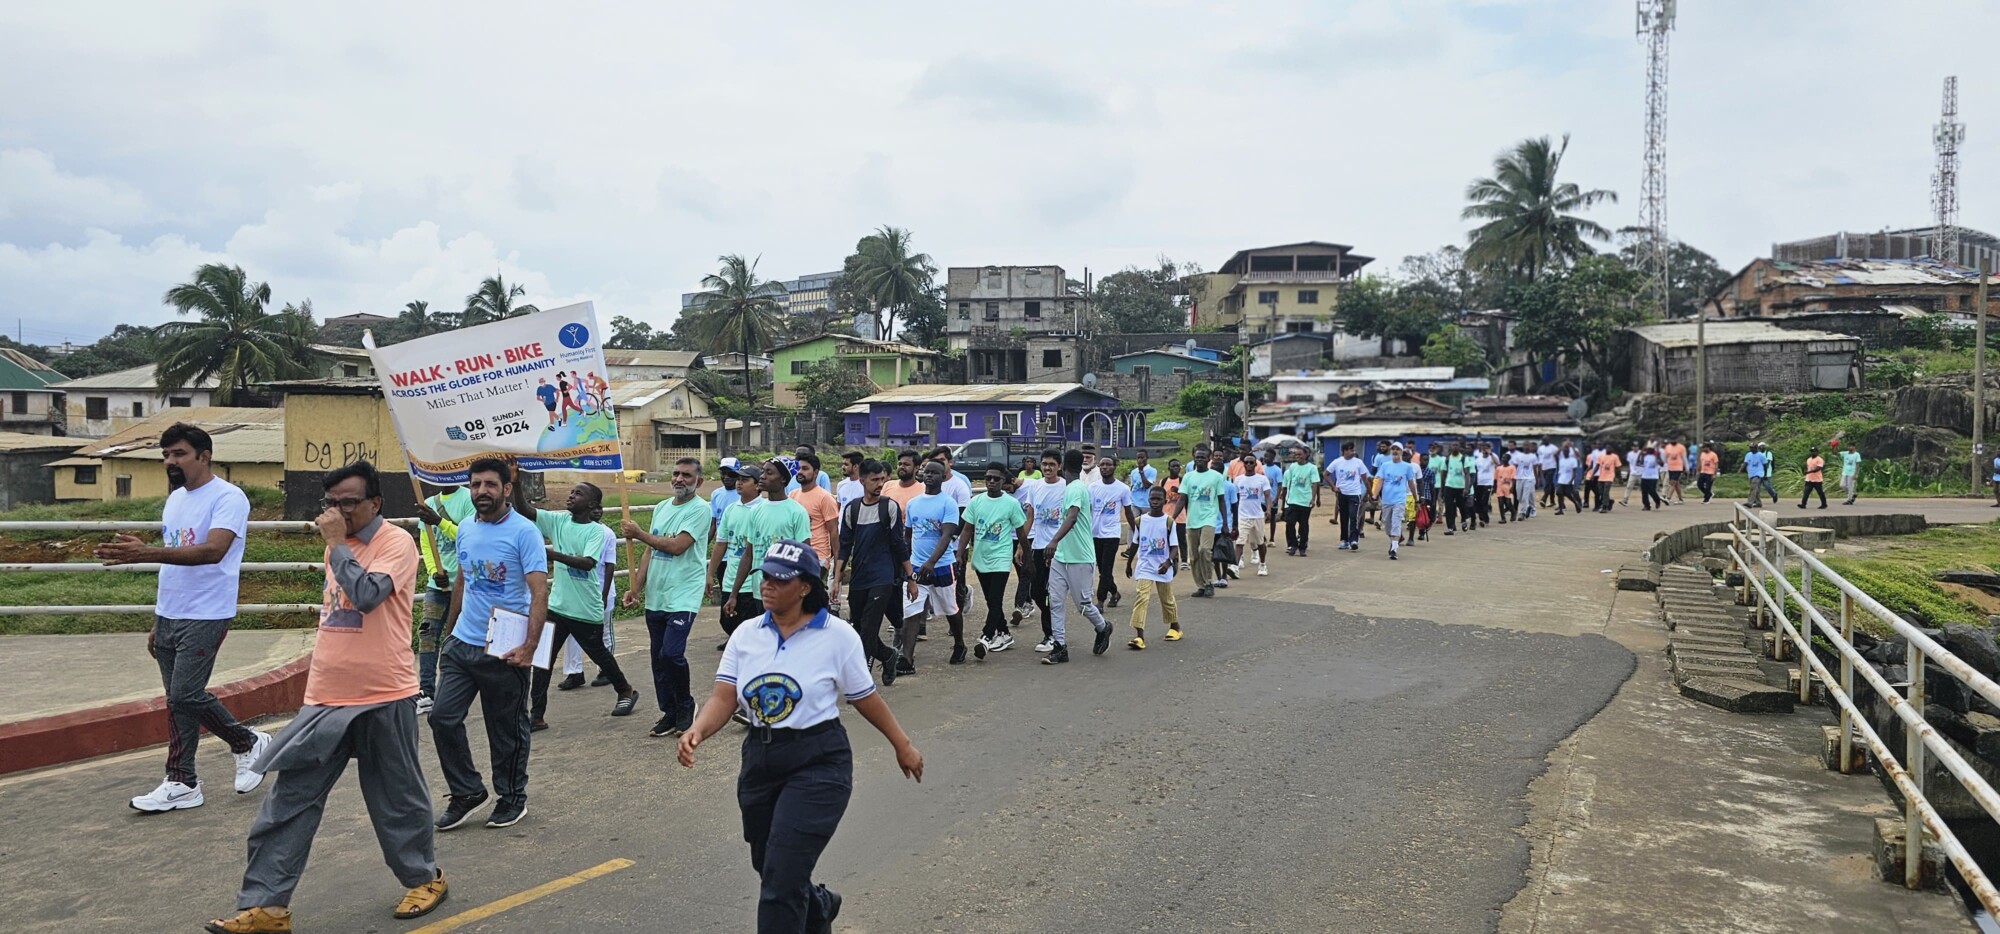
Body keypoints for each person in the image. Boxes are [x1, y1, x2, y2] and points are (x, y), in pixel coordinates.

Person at [204, 461, 446, 934]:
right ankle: (268, 908)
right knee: (288, 803)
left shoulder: (395, 543)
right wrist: (338, 545)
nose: (337, 511)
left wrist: (336, 543)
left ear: (375, 503)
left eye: (349, 502)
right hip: (326, 697)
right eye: (330, 503)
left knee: (398, 800)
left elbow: (368, 595)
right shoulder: (340, 548)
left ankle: (424, 877)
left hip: (385, 694)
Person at [677, 540, 923, 934]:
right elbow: (724, 696)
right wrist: (698, 730)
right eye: (766, 577)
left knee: (780, 882)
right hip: (759, 758)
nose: (768, 585)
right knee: (771, 867)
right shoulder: (746, 633)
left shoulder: (837, 635)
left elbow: (865, 698)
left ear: (805, 586)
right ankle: (820, 904)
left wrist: (903, 745)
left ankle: (811, 906)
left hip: (818, 761)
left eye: (780, 579)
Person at [97, 423, 270, 813]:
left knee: (184, 695)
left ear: (203, 456)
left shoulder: (229, 497)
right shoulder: (175, 499)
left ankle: (246, 741)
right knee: (177, 703)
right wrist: (159, 620)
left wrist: (145, 553)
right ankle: (182, 781)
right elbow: (173, 565)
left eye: (178, 454)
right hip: (172, 612)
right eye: (166, 455)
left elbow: (213, 551)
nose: (169, 461)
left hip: (208, 612)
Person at [430, 457, 547, 831]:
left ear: (507, 489)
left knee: (506, 729)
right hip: (463, 644)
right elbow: (463, 580)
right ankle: (466, 791)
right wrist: (449, 634)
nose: (482, 491)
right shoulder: (465, 527)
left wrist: (529, 646)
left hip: (504, 648)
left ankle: (512, 797)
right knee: (442, 718)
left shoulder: (523, 532)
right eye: (476, 484)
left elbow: (538, 591)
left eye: (490, 485)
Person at [520, 482, 640, 730]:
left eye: (578, 493)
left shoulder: (597, 532)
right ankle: (537, 715)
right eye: (572, 492)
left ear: (593, 505)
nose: (571, 495)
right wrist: (515, 480)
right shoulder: (560, 521)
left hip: (585, 610)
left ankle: (625, 690)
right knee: (543, 660)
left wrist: (551, 555)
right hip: (558, 606)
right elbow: (526, 510)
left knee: (600, 655)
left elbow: (587, 563)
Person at [623, 457, 712, 738]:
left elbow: (676, 546)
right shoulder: (662, 508)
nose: (679, 479)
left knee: (671, 654)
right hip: (657, 596)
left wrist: (639, 533)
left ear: (699, 481)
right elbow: (650, 551)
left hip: (683, 594)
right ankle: (669, 712)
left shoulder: (701, 510)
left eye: (686, 475)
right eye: (675, 474)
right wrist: (636, 586)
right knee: (658, 659)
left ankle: (686, 705)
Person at [831, 459, 911, 684]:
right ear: (862, 479)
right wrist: (837, 579)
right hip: (859, 577)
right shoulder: (852, 509)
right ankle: (887, 655)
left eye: (883, 479)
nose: (880, 484)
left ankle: (861, 680)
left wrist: (910, 577)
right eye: (875, 480)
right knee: (858, 628)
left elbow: (899, 544)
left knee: (869, 627)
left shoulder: (890, 507)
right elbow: (844, 546)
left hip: (883, 576)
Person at [725, 459, 813, 651]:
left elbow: (806, 557)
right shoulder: (756, 512)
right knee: (763, 645)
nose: (762, 476)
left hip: (786, 595)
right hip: (760, 592)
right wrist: (734, 594)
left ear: (783, 480)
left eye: (769, 473)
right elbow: (748, 555)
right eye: (763, 472)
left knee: (786, 645)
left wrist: (802, 593)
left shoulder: (796, 512)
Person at [1041, 448, 1113, 663]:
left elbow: (1072, 517)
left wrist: (1053, 541)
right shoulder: (1069, 487)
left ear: (1062, 465)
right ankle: (1060, 646)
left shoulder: (1076, 488)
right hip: (1062, 556)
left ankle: (1103, 627)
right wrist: (1056, 548)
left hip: (1080, 556)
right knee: (1055, 601)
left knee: (1082, 604)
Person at [958, 462, 1028, 658]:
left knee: (995, 599)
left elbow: (1022, 534)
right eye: (988, 477)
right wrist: (959, 554)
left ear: (1004, 481)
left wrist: (1027, 559)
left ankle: (986, 637)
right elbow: (966, 530)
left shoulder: (1011, 504)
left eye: (996, 478)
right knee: (991, 601)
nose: (991, 481)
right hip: (980, 558)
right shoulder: (976, 502)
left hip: (1001, 559)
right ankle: (1004, 633)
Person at [413, 485, 472, 714]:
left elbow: (468, 536)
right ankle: (427, 690)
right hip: (436, 585)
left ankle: (462, 686)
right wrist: (433, 571)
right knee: (428, 633)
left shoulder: (468, 499)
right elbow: (427, 542)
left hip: (465, 583)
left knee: (462, 635)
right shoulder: (428, 502)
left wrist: (439, 521)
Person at [906, 461, 967, 665]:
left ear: (943, 477)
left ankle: (959, 643)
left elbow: (947, 534)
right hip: (916, 566)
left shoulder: (947, 503)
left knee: (950, 609)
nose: (929, 475)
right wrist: (906, 564)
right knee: (913, 611)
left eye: (934, 473)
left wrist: (932, 561)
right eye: (926, 471)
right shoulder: (913, 503)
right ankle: (907, 658)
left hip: (941, 566)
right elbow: (908, 535)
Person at [709, 467, 765, 650]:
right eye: (738, 479)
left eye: (745, 479)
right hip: (730, 577)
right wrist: (709, 573)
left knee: (750, 624)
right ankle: (736, 641)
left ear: (757, 485)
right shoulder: (731, 509)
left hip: (752, 580)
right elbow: (721, 543)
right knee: (727, 620)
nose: (739, 482)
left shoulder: (762, 510)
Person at [1018, 450, 1066, 648]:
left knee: (1053, 594)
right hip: (1038, 547)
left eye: (1052, 464)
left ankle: (1052, 635)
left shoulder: (1067, 487)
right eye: (1044, 464)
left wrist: (1057, 544)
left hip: (1059, 549)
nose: (1047, 468)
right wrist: (1023, 545)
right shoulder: (1035, 487)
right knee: (1037, 592)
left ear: (1059, 466)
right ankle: (1051, 631)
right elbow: (1030, 517)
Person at [1123, 485, 1180, 649]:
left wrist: (1168, 562)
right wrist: (1129, 563)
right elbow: (1135, 543)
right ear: (1148, 500)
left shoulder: (1169, 522)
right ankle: (1139, 636)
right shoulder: (1140, 521)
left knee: (1167, 599)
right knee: (1142, 597)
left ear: (1165, 500)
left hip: (1162, 566)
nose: (1155, 502)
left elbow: (1175, 547)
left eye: (1158, 499)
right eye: (1152, 498)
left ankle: (1175, 627)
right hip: (1145, 566)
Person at [1179, 448, 1228, 597]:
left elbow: (1221, 500)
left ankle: (1208, 582)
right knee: (1193, 556)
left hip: (1209, 518)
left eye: (1203, 457)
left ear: (1209, 459)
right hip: (1192, 520)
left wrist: (1225, 523)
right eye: (1197, 457)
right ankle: (1200, 585)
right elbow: (1182, 499)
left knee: (1205, 550)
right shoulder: (1188, 477)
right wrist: (1172, 517)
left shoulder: (1216, 477)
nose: (1199, 460)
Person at [1088, 455, 1132, 608]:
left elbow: (1128, 511)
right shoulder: (1092, 488)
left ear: (1114, 467)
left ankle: (1100, 601)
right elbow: (1088, 510)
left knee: (1106, 568)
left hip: (1112, 534)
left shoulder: (1123, 489)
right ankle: (1114, 592)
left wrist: (1136, 530)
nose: (1104, 467)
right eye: (1101, 465)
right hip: (1095, 534)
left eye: (1108, 465)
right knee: (1102, 568)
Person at [790, 453, 839, 565]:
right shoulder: (792, 495)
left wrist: (837, 564)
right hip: (795, 556)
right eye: (798, 468)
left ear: (816, 472)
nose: (800, 472)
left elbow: (834, 532)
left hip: (817, 557)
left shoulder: (825, 498)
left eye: (805, 468)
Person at [1232, 453, 1273, 575]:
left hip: (1258, 516)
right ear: (1243, 464)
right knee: (1240, 542)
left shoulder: (1262, 479)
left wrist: (1269, 510)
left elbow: (1267, 496)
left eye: (1251, 462)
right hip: (1243, 516)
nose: (1249, 464)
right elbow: (1236, 498)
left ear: (1256, 464)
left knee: (1260, 543)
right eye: (1246, 462)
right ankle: (1235, 567)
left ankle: (1262, 564)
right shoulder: (1238, 480)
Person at [1377, 446, 1417, 560]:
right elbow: (1379, 481)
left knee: (1396, 522)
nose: (1395, 451)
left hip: (1399, 500)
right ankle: (1395, 539)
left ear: (1401, 452)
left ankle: (1394, 549)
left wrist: (1416, 498)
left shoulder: (1407, 467)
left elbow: (1411, 483)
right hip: (1387, 500)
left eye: (1398, 449)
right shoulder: (1385, 466)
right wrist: (1374, 495)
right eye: (1393, 449)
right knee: (1387, 523)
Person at [1326, 442, 1366, 551]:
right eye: (1351, 450)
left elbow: (1365, 477)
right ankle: (1345, 540)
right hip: (1342, 494)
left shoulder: (1358, 462)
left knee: (1353, 516)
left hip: (1355, 494)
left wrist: (1370, 493)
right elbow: (1325, 474)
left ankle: (1354, 540)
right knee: (1343, 518)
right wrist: (1333, 486)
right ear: (1345, 451)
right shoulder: (1337, 462)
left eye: (1354, 450)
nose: (1353, 452)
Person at [1280, 446, 1317, 556]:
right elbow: (1288, 483)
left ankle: (1302, 547)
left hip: (1305, 501)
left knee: (1303, 525)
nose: (1298, 457)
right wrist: (1285, 497)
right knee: (1290, 524)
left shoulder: (1312, 468)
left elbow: (1315, 484)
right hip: (1292, 501)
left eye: (1300, 454)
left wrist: (1313, 499)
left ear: (1306, 455)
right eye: (1296, 455)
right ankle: (1293, 545)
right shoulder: (1292, 467)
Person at [1439, 442, 1471, 534]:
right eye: (1453, 445)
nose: (1455, 447)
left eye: (1457, 445)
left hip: (1460, 487)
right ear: (1450, 447)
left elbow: (1467, 474)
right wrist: (1442, 489)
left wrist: (1466, 488)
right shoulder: (1447, 459)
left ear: (1459, 447)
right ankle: (1450, 528)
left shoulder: (1463, 459)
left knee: (1462, 507)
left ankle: (1464, 520)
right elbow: (1443, 474)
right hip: (1449, 486)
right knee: (1449, 508)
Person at [1592, 445, 1622, 514]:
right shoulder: (1601, 456)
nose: (1608, 449)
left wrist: (1620, 478)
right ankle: (1610, 501)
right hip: (1601, 477)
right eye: (1607, 448)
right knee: (1601, 492)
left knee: (1605, 492)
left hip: (1609, 477)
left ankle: (1604, 507)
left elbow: (1618, 468)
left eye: (1610, 448)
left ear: (1612, 450)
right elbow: (1597, 466)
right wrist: (1593, 474)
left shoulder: (1615, 456)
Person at [1745, 443, 1776, 507]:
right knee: (1756, 488)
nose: (1761, 448)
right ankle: (1758, 502)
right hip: (1752, 474)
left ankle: (1750, 502)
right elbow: (1746, 463)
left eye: (1763, 446)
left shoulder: (1767, 454)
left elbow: (1767, 464)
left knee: (1767, 486)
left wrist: (1765, 474)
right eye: (1760, 447)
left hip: (1763, 473)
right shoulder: (1749, 455)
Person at [1663, 438, 1688, 504]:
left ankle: (1668, 498)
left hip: (1678, 468)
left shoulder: (1681, 447)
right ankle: (1680, 499)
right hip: (1670, 468)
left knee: (1672, 482)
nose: (1672, 441)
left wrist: (1687, 468)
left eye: (1674, 440)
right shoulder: (1667, 447)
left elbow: (1684, 458)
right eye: (1671, 440)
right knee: (1676, 484)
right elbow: (1664, 458)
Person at [1495, 456, 1517, 523]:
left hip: (1508, 486)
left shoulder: (1512, 467)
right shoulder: (1498, 468)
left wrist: (1512, 487)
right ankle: (1503, 518)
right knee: (1501, 502)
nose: (1503, 459)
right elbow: (1495, 478)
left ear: (1508, 459)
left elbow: (1513, 478)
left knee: (1508, 502)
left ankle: (1513, 512)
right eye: (1502, 458)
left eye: (1505, 458)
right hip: (1500, 487)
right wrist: (1494, 487)